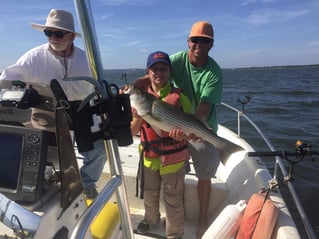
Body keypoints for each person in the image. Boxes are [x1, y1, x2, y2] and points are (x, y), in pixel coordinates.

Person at [0, 9, 107, 199]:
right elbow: (6, 80)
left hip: (82, 109)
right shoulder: (33, 57)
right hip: (46, 110)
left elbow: (100, 86)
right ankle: (45, 180)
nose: (53, 37)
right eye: (48, 32)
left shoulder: (86, 59)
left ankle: (87, 184)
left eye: (58, 33)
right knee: (45, 156)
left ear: (72, 36)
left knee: (99, 151)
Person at [134, 21, 223, 238]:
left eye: (205, 41)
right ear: (188, 41)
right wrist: (134, 90)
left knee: (204, 173)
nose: (199, 44)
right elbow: (155, 72)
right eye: (196, 40)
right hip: (172, 124)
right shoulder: (175, 60)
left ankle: (201, 219)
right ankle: (157, 217)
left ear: (211, 44)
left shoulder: (214, 72)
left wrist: (190, 132)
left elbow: (201, 111)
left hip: (198, 124)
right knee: (160, 185)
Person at [130, 51, 193, 239]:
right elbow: (132, 131)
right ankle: (150, 220)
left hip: (173, 160)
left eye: (163, 68)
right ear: (148, 72)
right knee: (149, 194)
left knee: (173, 200)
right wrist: (140, 116)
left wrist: (181, 136)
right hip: (150, 158)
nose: (159, 72)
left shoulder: (180, 98)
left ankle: (174, 234)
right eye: (154, 68)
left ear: (170, 71)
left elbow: (191, 130)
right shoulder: (140, 97)